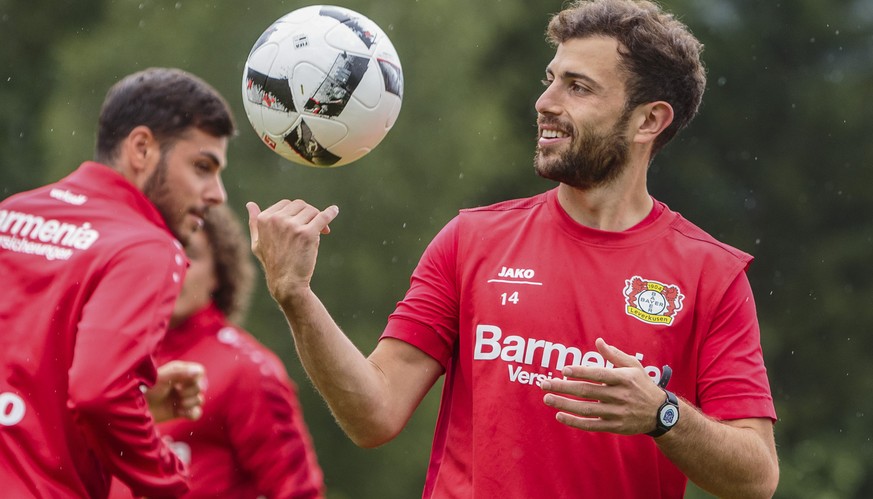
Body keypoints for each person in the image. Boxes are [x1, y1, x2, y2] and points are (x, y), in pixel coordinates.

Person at [246, 0, 780, 497]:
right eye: (550, 80)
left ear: (648, 121)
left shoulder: (711, 273)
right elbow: (375, 414)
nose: (544, 103)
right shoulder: (472, 239)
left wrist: (663, 414)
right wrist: (296, 295)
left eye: (578, 87)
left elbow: (757, 476)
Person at [0, 67, 234, 498]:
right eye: (203, 166)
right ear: (142, 148)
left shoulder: (13, 212)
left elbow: (27, 385)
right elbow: (98, 393)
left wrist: (137, 402)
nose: (217, 193)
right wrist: (173, 483)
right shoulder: (148, 247)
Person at [109, 205, 325, 499]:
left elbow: (298, 492)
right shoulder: (109, 357)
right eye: (161, 248)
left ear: (218, 275)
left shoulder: (246, 369)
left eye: (191, 255)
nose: (174, 264)